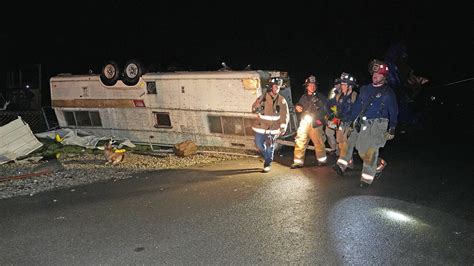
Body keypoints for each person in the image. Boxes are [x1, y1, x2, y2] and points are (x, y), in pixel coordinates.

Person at [342, 59, 398, 187]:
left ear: (384, 77)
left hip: (379, 124)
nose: (375, 75)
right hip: (364, 124)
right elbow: (357, 107)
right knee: (362, 150)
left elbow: (393, 111)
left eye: (378, 74)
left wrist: (392, 127)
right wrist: (351, 122)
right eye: (374, 73)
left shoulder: (388, 93)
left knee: (371, 150)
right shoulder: (365, 89)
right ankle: (378, 163)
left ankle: (366, 179)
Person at [251, 78, 290, 173]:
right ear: (270, 87)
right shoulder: (262, 97)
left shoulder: (282, 100)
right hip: (261, 127)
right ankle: (267, 156)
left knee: (269, 146)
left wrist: (283, 126)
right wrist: (256, 107)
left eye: (279, 87)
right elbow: (253, 108)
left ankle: (267, 163)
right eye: (275, 86)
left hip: (273, 128)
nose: (277, 88)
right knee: (258, 144)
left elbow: (285, 115)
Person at [291, 75, 329, 168]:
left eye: (314, 85)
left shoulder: (321, 97)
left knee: (319, 142)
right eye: (310, 85)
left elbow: (326, 109)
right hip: (304, 121)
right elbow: (299, 105)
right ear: (306, 86)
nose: (312, 87)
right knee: (300, 140)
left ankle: (322, 160)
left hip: (315, 123)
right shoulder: (303, 97)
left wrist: (321, 120)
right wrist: (297, 107)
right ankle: (298, 161)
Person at [331, 72, 359, 175]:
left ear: (350, 86)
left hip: (350, 124)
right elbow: (332, 105)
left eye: (344, 84)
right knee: (341, 143)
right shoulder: (339, 96)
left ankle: (341, 166)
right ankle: (349, 163)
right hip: (341, 123)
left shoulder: (355, 96)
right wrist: (332, 115)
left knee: (347, 144)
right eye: (341, 84)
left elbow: (357, 111)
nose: (341, 86)